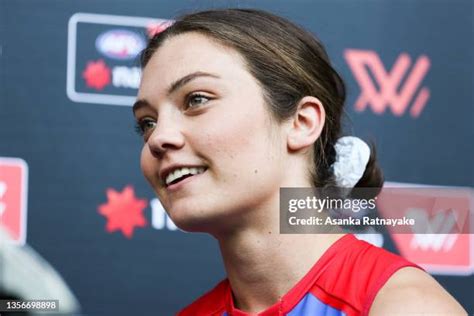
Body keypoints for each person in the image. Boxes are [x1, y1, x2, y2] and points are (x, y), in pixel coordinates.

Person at [133, 8, 466, 316]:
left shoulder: (403, 306)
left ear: (302, 123)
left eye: (196, 99)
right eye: (147, 122)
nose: (159, 137)